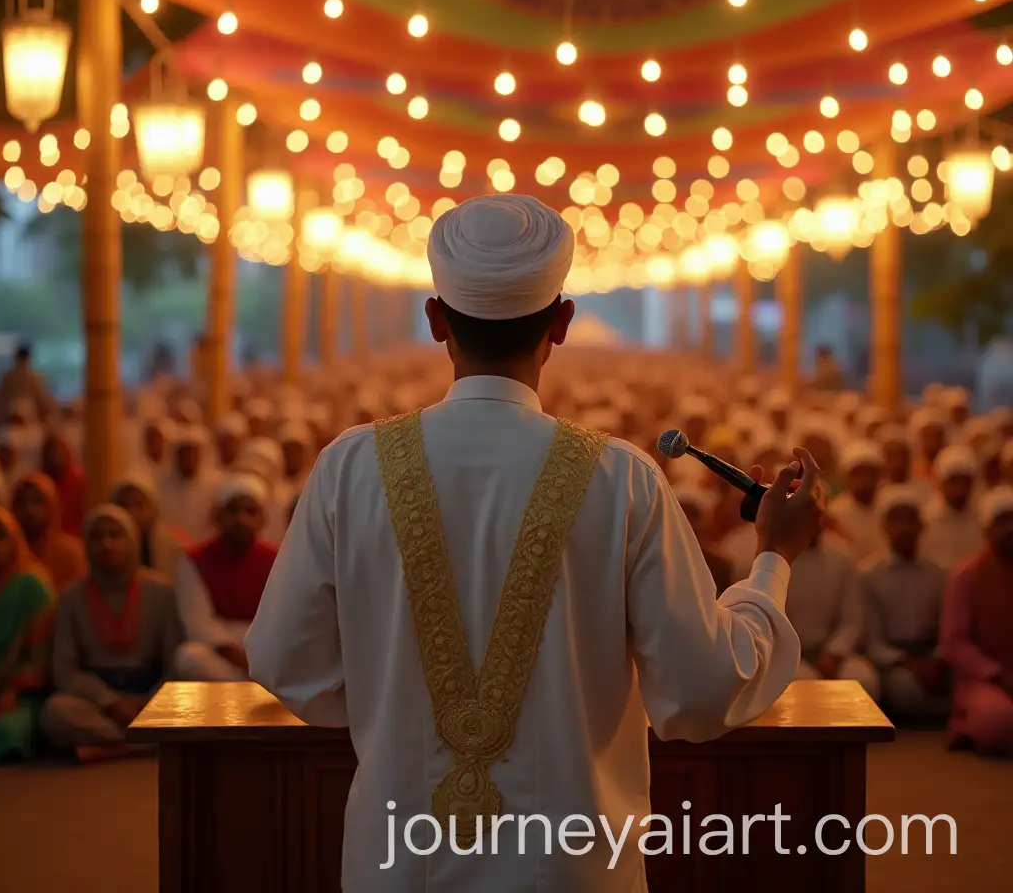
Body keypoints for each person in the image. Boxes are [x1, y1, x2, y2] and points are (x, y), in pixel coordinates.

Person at [243, 194, 824, 892]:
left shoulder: (350, 467)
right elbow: (701, 690)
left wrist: (397, 707)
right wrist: (773, 562)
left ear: (435, 320)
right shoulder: (623, 480)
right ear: (563, 322)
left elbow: (282, 658)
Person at [40, 505, 182, 761]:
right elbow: (65, 670)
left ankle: (114, 745)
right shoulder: (70, 597)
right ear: (86, 545)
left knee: (188, 704)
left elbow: (174, 664)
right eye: (97, 537)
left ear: (133, 541)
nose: (107, 545)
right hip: (97, 701)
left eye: (116, 535)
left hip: (151, 698)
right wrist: (110, 702)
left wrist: (149, 701)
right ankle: (142, 743)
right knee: (56, 713)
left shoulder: (162, 592)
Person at [173, 475, 278, 681]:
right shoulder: (194, 560)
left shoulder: (277, 559)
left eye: (250, 511)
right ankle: (257, 684)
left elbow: (281, 619)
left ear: (262, 520)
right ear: (218, 516)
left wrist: (258, 656)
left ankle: (255, 682)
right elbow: (198, 622)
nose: (241, 519)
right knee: (188, 657)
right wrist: (236, 655)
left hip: (263, 647)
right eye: (233, 511)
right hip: (221, 650)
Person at [862, 486, 949, 721]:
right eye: (896, 520)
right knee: (904, 692)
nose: (904, 528)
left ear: (922, 525)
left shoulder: (938, 573)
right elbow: (873, 642)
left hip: (933, 657)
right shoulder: (870, 574)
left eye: (911, 519)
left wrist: (937, 660)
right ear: (884, 526)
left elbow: (948, 628)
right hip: (896, 662)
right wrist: (908, 663)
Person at [939, 485, 1013, 755]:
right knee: (999, 721)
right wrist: (997, 675)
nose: (1010, 529)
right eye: (1001, 521)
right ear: (986, 530)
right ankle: (967, 724)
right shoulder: (966, 575)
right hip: (984, 680)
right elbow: (954, 644)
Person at [0, 506, 55, 762]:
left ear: (15, 541)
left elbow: (39, 661)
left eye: (0, 537)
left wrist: (13, 691)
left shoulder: (32, 586)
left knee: (5, 730)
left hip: (18, 696)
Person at [786, 528, 879, 699]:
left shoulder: (842, 558)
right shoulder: (775, 561)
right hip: (790, 657)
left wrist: (834, 653)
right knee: (801, 683)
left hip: (835, 653)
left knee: (863, 679)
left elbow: (853, 619)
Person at [10, 473, 87, 592]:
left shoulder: (72, 555)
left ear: (52, 505)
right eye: (22, 502)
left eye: (37, 501)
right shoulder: (3, 553)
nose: (29, 510)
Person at [110, 474, 184, 582]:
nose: (131, 512)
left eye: (138, 504)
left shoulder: (174, 545)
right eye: (124, 505)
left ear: (153, 507)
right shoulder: (108, 544)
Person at [921, 445, 982, 571]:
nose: (959, 489)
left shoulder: (982, 520)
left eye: (964, 481)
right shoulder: (926, 520)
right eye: (953, 481)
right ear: (940, 482)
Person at [157, 426, 222, 545]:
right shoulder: (160, 486)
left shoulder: (217, 486)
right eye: (184, 453)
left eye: (193, 453)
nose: (189, 458)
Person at [829, 440, 888, 565]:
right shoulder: (835, 514)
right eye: (858, 474)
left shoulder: (889, 510)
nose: (864, 480)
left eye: (870, 474)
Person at [41, 430, 86, 538]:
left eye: (57, 451)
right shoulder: (39, 483)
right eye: (50, 452)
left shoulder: (79, 481)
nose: (54, 456)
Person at [0, 343, 53, 423]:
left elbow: (2, 396)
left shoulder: (7, 375)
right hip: (29, 413)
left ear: (16, 357)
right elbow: (40, 397)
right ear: (29, 357)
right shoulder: (35, 376)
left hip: (9, 412)